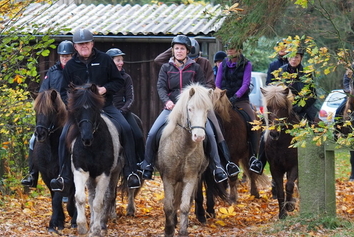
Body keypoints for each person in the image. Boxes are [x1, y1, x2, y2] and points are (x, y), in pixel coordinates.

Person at [50, 28, 142, 194]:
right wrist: (73, 104)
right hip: (80, 112)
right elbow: (64, 92)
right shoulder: (71, 65)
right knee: (64, 136)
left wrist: (104, 89)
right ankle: (63, 175)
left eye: (86, 43)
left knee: (127, 129)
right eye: (80, 44)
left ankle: (131, 172)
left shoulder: (105, 60)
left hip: (105, 106)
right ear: (75, 47)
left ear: (92, 44)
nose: (84, 46)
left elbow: (118, 81)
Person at [138, 36, 239, 183]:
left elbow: (202, 86)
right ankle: (147, 165)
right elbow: (160, 87)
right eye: (176, 48)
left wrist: (198, 101)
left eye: (182, 48)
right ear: (172, 50)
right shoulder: (166, 67)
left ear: (187, 51)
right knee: (153, 132)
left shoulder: (196, 67)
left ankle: (218, 167)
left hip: (193, 109)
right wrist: (166, 101)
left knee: (210, 133)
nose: (179, 51)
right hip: (172, 107)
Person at [21, 40, 74, 187]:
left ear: (72, 56)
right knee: (33, 140)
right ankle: (32, 174)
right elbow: (44, 92)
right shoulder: (52, 72)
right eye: (62, 56)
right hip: (54, 114)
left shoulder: (77, 70)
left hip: (70, 112)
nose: (64, 58)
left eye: (67, 56)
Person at [215, 42, 263, 174]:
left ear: (239, 50)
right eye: (227, 48)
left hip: (240, 100)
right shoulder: (223, 64)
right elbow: (217, 83)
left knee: (253, 121)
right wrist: (219, 96)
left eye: (232, 48)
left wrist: (236, 97)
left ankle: (253, 157)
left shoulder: (247, 64)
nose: (229, 51)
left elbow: (246, 83)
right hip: (223, 99)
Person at [106, 48, 145, 162]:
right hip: (107, 112)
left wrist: (123, 110)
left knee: (138, 135)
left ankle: (142, 163)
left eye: (121, 60)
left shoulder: (126, 78)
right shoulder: (103, 78)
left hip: (123, 112)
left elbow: (130, 98)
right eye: (118, 60)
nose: (121, 63)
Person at [275, 48, 318, 122]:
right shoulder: (281, 71)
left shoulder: (307, 73)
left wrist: (299, 106)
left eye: (296, 57)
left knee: (308, 123)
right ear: (288, 57)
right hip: (284, 107)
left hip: (302, 109)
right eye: (291, 56)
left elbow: (313, 95)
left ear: (301, 58)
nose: (293, 59)